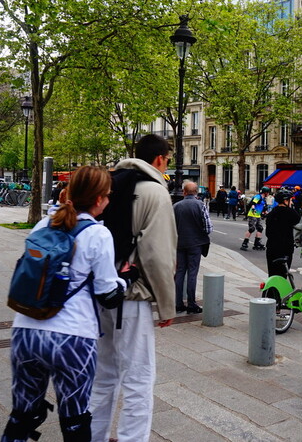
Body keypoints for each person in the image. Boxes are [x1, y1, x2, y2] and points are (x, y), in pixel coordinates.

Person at [1, 166, 126, 442]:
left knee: (22, 414)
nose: (108, 200)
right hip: (72, 338)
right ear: (98, 199)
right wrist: (125, 280)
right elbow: (108, 294)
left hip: (26, 332)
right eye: (107, 195)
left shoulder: (44, 224)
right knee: (75, 419)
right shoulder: (98, 234)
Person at [90, 134, 177, 442]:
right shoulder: (155, 192)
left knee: (104, 374)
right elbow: (158, 255)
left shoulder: (110, 184)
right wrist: (167, 305)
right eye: (167, 160)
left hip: (102, 293)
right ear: (159, 160)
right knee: (139, 376)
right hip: (133, 296)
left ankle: (93, 435)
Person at [173, 180, 212, 314]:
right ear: (196, 193)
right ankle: (191, 303)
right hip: (195, 244)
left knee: (179, 272)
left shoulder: (176, 206)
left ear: (184, 192)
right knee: (192, 273)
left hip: (179, 244)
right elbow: (208, 228)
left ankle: (178, 303)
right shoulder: (200, 205)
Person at [264, 189, 301, 278]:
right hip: (285, 249)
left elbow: (268, 233)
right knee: (282, 276)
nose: (291, 203)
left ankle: (270, 291)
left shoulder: (271, 213)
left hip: (271, 249)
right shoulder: (291, 213)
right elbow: (300, 225)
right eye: (291, 200)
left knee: (272, 275)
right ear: (285, 201)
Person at [240, 186, 270, 251]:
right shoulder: (258, 197)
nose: (268, 194)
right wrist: (253, 208)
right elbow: (253, 203)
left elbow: (264, 208)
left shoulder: (263, 199)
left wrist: (267, 213)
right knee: (252, 228)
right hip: (252, 214)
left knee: (260, 228)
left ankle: (257, 243)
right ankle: (245, 243)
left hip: (258, 215)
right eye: (268, 192)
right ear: (265, 192)